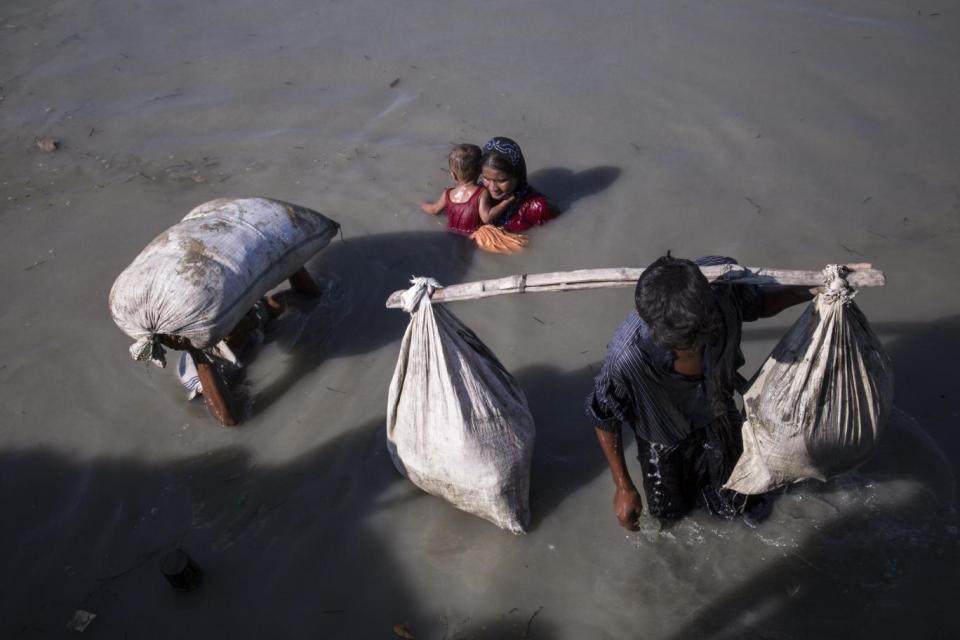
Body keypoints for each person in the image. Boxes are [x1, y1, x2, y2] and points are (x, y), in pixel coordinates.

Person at [586, 255, 817, 529]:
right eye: (684, 344)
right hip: (664, 442)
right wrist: (622, 485)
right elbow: (603, 417)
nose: (694, 348)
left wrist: (812, 290)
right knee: (672, 520)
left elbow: (760, 303)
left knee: (747, 504)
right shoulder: (627, 358)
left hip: (719, 414)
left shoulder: (724, 290)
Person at [159, 266, 321, 427]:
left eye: (245, 311)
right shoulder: (196, 369)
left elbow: (305, 294)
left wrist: (292, 260)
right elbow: (228, 419)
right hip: (215, 389)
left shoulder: (248, 316)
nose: (250, 318)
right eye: (244, 316)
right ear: (223, 333)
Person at [478, 137, 553, 232]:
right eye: (487, 178)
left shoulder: (537, 208)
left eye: (501, 180)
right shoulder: (475, 196)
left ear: (518, 175)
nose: (493, 188)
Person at [420, 144, 497, 236]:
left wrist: (421, 204)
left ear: (453, 175)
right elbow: (486, 218)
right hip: (472, 236)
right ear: (480, 171)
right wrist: (506, 201)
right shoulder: (482, 193)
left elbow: (434, 210)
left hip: (450, 233)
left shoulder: (447, 194)